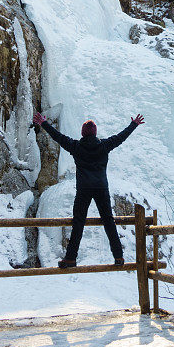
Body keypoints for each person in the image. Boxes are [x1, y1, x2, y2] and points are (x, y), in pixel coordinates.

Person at [32, 111, 145, 267]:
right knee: (108, 221)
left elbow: (58, 137)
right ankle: (118, 257)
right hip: (101, 188)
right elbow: (121, 137)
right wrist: (133, 124)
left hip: (84, 189)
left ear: (82, 133)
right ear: (96, 133)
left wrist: (44, 123)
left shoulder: (76, 146)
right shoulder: (104, 145)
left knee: (78, 222)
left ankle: (71, 258)